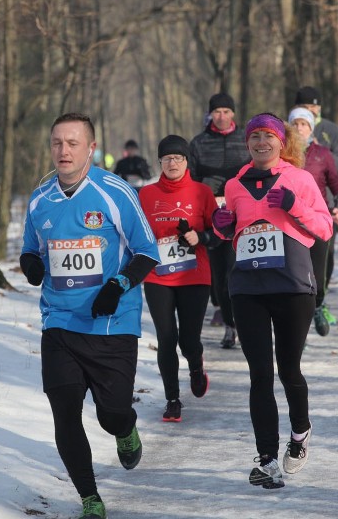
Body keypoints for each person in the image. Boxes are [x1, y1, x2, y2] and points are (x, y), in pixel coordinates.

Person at [20, 113, 160, 519]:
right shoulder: (40, 196)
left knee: (111, 413)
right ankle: (90, 498)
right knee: (65, 412)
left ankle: (125, 428)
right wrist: (31, 263)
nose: (63, 151)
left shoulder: (114, 191)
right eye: (57, 143)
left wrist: (117, 286)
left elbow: (147, 252)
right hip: (60, 322)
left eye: (73, 143)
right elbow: (31, 247)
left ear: (91, 148)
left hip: (112, 323)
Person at [212, 113, 332, 489]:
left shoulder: (300, 179)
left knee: (288, 369)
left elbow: (325, 227)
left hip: (293, 285)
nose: (261, 142)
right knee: (259, 374)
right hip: (248, 287)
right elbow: (230, 227)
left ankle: (299, 435)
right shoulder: (234, 184)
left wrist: (294, 205)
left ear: (282, 142)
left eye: (268, 136)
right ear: (247, 143)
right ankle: (266, 459)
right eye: (254, 137)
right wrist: (222, 225)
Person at [138, 135, 218, 422]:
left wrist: (201, 236)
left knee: (188, 339)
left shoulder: (202, 193)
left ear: (187, 162)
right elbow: (137, 234)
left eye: (178, 158)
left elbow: (220, 234)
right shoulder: (145, 195)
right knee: (166, 338)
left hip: (194, 276)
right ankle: (172, 399)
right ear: (160, 162)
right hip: (158, 275)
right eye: (167, 158)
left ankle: (196, 366)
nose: (173, 163)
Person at [188, 93, 249, 349]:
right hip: (212, 212)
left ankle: (246, 324)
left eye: (226, 111)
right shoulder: (200, 143)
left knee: (240, 270)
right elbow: (190, 178)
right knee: (220, 274)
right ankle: (230, 326)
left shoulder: (246, 138)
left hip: (244, 211)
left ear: (233, 113)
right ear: (210, 114)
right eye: (217, 112)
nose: (222, 116)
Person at [288, 107, 338, 337]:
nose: (300, 128)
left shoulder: (323, 154)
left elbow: (337, 185)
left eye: (304, 124)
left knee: (320, 273)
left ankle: (319, 304)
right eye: (296, 124)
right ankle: (297, 329)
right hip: (291, 222)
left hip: (317, 219)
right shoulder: (283, 156)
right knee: (295, 276)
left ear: (311, 128)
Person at [293, 86, 338, 301]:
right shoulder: (288, 132)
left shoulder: (330, 130)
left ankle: (319, 299)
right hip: (294, 207)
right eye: (305, 107)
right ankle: (302, 299)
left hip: (325, 205)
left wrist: (321, 154)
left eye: (314, 106)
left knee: (326, 256)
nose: (311, 110)